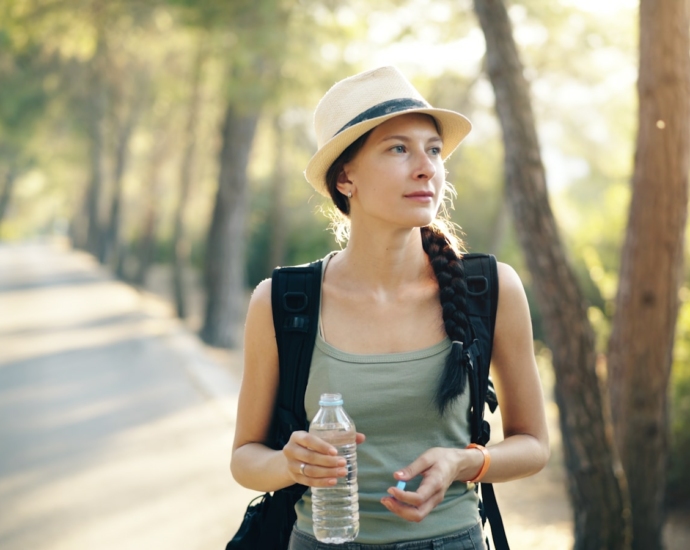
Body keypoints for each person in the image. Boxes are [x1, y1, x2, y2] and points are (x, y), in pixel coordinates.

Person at [231, 66, 549, 550]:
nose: (426, 167)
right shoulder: (282, 302)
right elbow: (245, 459)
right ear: (345, 177)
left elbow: (534, 445)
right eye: (398, 148)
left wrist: (465, 463)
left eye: (434, 150)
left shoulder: (491, 288)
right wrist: (288, 463)